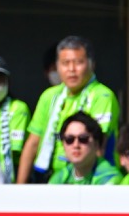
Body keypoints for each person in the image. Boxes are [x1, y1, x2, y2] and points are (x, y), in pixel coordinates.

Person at [17, 36, 119, 184]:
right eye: (65, 63)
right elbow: (33, 143)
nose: (71, 69)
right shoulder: (49, 96)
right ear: (57, 67)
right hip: (49, 176)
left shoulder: (102, 96)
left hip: (89, 178)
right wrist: (20, 188)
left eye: (78, 62)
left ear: (92, 65)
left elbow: (98, 146)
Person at [48, 111, 120, 185]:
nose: (76, 145)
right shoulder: (59, 178)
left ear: (96, 144)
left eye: (83, 139)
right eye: (69, 139)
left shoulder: (109, 178)